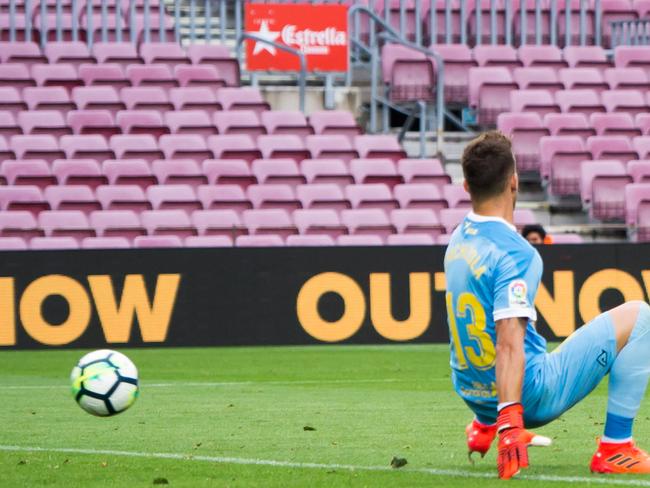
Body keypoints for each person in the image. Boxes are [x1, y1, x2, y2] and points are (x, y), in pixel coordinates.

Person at [444, 131, 650, 479]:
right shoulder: (517, 252)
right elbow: (508, 339)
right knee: (641, 317)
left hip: (473, 394)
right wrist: (510, 420)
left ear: (466, 186)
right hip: (526, 397)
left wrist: (488, 418)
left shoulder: (458, 238)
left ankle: (483, 424)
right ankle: (616, 448)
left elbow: (470, 327)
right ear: (514, 182)